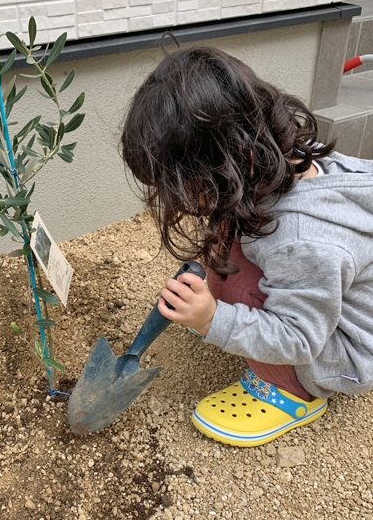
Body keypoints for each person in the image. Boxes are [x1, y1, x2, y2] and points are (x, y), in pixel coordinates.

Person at [121, 45, 373, 447]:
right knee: (223, 251)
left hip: (344, 353)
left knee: (231, 279)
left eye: (188, 186)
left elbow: (299, 338)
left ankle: (294, 394)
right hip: (329, 301)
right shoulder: (285, 164)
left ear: (227, 167)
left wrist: (211, 320)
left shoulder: (302, 241)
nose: (184, 199)